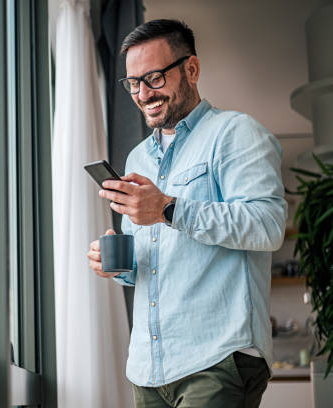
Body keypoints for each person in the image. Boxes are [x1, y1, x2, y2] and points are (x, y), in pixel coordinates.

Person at [86, 19, 286, 407]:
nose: (144, 94)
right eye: (133, 83)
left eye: (155, 78)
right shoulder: (138, 157)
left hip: (215, 360)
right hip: (147, 370)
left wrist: (166, 208)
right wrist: (116, 265)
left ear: (191, 69)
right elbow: (149, 262)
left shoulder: (237, 133)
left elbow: (267, 226)